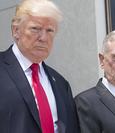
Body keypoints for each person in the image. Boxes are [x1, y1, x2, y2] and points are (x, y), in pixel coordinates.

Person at [0, 0, 79, 133]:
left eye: (49, 30)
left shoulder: (61, 84)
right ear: (16, 30)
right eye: (35, 28)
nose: (43, 38)